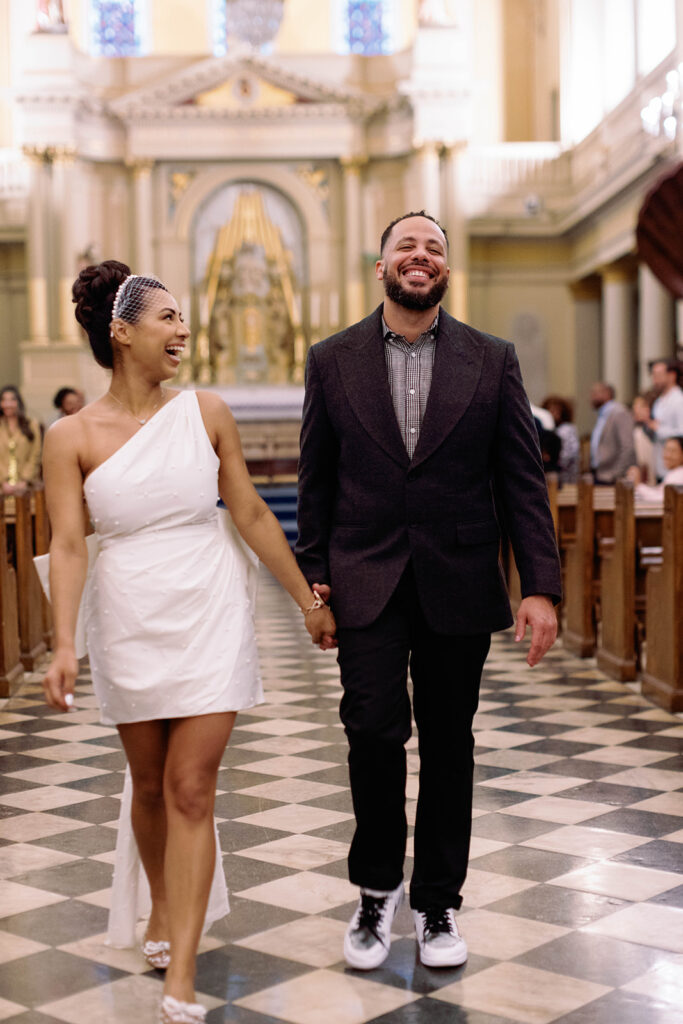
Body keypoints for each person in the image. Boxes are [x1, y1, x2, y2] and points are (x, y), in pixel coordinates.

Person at [41, 260, 336, 1024]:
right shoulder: (68, 436)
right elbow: (70, 546)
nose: (184, 330)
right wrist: (63, 643)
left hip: (209, 604)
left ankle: (184, 972)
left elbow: (252, 515)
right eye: (167, 318)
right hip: (128, 612)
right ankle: (162, 905)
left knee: (190, 787)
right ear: (122, 331)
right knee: (146, 785)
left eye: (182, 319)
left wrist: (306, 598)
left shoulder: (206, 411)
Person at [296, 211, 561, 972]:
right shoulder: (332, 358)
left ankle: (437, 900)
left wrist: (538, 586)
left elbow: (520, 480)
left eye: (433, 247)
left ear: (446, 268)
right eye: (406, 246)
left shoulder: (491, 358)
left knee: (450, 742)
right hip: (364, 575)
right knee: (373, 731)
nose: (420, 255)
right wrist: (315, 577)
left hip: (459, 574)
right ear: (379, 265)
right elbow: (316, 480)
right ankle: (377, 887)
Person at [589, 381, 635, 484]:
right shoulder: (602, 414)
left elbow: (627, 447)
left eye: (595, 393)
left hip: (611, 476)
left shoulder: (619, 413)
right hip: (600, 473)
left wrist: (616, 474)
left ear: (607, 394)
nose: (591, 397)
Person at [0, 385, 42, 495]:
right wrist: (3, 482)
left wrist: (24, 480)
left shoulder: (32, 425)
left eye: (12, 400)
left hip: (27, 487)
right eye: (4, 400)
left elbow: (35, 454)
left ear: (19, 402)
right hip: (2, 487)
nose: (8, 404)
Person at [648, 358, 683, 480]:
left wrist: (659, 429)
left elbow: (681, 432)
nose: (654, 380)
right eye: (653, 375)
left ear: (672, 376)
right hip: (660, 465)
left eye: (658, 375)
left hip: (675, 469)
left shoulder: (679, 400)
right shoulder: (659, 401)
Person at [629, 435, 683, 502]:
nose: (667, 455)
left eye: (672, 451)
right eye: (666, 450)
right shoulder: (674, 473)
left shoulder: (679, 475)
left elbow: (663, 499)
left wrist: (638, 485)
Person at [542, 395, 580, 483]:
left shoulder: (566, 429)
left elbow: (567, 455)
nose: (553, 414)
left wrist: (550, 461)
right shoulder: (548, 430)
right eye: (550, 410)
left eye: (556, 411)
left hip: (564, 478)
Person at [630, 392, 657, 485]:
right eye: (635, 407)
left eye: (640, 407)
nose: (636, 410)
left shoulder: (656, 431)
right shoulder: (637, 430)